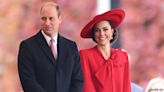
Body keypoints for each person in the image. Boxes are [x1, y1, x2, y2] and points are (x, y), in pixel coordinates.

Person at [18, 2, 83, 92]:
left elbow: (78, 80)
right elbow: (28, 82)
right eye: (43, 19)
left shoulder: (71, 47)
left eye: (51, 18)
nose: (47, 23)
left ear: (60, 19)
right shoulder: (27, 47)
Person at [80, 9, 131, 92]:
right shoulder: (85, 55)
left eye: (105, 29)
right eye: (97, 30)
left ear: (112, 31)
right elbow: (87, 86)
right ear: (93, 34)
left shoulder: (122, 56)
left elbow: (126, 87)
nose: (101, 34)